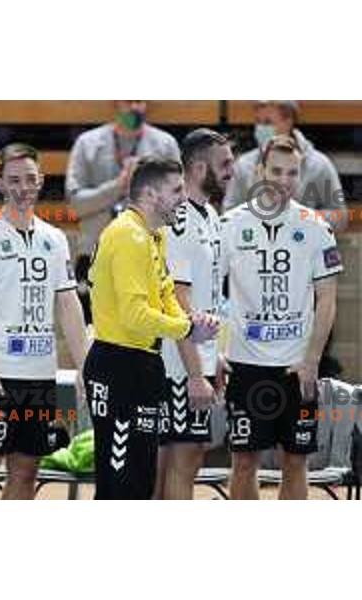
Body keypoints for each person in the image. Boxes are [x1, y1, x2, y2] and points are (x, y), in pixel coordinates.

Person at [0, 143, 88, 500]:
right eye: (13, 179)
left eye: (30, 178)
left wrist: (85, 366)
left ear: (41, 180)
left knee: (26, 473)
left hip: (40, 377)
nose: (23, 187)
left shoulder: (55, 239)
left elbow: (69, 305)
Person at [84, 157, 219, 500]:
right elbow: (134, 314)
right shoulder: (130, 236)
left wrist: (190, 322)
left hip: (142, 364)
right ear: (149, 193)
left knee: (141, 479)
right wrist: (186, 330)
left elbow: (165, 295)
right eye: (176, 190)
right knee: (122, 485)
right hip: (118, 366)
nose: (183, 198)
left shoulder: (151, 235)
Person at [221, 135, 342, 500]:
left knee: (295, 461)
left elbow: (328, 298)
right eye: (276, 170)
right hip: (245, 364)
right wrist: (216, 351)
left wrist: (312, 361)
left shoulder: (316, 227)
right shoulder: (228, 225)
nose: (284, 180)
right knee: (243, 461)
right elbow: (211, 295)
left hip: (296, 367)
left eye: (293, 173)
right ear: (259, 171)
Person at [153, 129, 234, 500]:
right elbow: (179, 302)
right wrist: (194, 373)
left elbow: (209, 295)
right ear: (200, 167)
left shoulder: (212, 215)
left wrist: (212, 355)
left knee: (181, 458)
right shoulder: (180, 217)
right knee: (180, 461)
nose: (232, 170)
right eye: (226, 164)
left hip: (196, 358)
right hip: (175, 365)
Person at [66, 101, 181, 322]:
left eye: (139, 100)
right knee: (95, 340)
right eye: (128, 100)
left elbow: (177, 206)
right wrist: (118, 186)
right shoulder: (87, 144)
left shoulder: (165, 145)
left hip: (149, 259)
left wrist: (143, 187)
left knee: (144, 340)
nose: (134, 107)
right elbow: (75, 204)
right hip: (95, 256)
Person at [223, 101, 348, 231]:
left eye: (267, 123)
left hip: (304, 247)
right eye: (258, 122)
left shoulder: (319, 165)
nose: (260, 129)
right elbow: (228, 214)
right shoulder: (244, 165)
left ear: (288, 121)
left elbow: (340, 217)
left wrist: (298, 217)